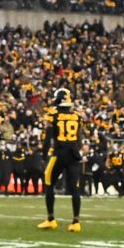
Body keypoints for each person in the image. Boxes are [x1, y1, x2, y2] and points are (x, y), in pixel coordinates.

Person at [36, 88, 84, 232]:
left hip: (59, 153)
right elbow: (79, 138)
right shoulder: (77, 116)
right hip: (74, 154)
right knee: (75, 188)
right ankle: (76, 222)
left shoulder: (53, 115)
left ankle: (51, 219)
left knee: (49, 183)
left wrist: (44, 156)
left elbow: (47, 139)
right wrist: (76, 149)